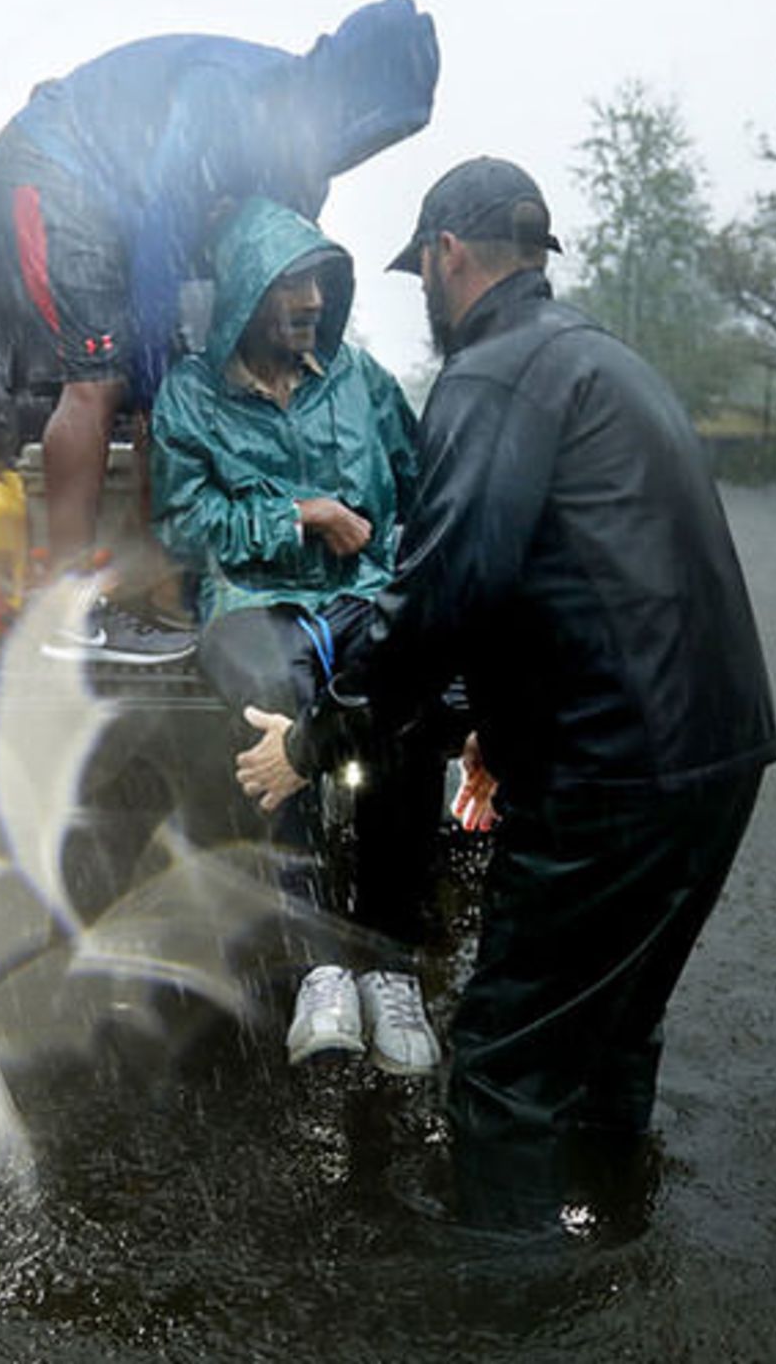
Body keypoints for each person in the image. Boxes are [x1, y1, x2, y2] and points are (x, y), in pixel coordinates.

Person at [236, 157, 776, 1229]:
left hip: (612, 776)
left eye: (422, 274)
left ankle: (512, 1311)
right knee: (614, 1026)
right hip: (718, 759)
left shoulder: (489, 377)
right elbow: (589, 568)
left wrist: (310, 742)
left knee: (501, 1074)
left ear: (444, 256)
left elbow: (444, 597)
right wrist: (496, 717)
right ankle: (612, 1231)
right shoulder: (602, 361)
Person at [0, 0, 438, 662]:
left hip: (122, 202)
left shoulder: (302, 152)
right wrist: (165, 390)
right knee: (101, 378)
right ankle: (60, 606)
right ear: (348, 88)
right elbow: (162, 241)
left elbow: (270, 261)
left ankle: (154, 583)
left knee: (170, 387)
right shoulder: (232, 96)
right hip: (60, 168)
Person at [153, 197, 443, 1073]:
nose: (313, 298)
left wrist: (408, 569)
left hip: (361, 594)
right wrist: (301, 515)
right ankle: (318, 959)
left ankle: (390, 966)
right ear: (245, 294)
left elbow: (425, 484)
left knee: (403, 702)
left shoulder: (361, 381)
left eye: (320, 280)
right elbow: (186, 524)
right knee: (268, 699)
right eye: (291, 283)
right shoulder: (190, 398)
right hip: (251, 600)